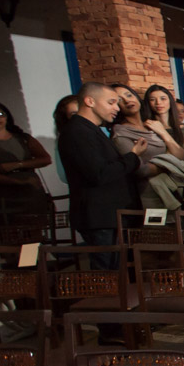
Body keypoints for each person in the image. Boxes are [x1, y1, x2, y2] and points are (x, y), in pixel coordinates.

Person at [58, 83, 144, 264]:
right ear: (90, 101)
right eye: (111, 102)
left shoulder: (91, 129)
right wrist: (133, 156)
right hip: (100, 217)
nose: (117, 108)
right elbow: (99, 173)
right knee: (109, 272)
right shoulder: (77, 131)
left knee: (120, 270)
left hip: (109, 216)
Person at [110, 82, 184, 204]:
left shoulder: (151, 125)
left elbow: (181, 155)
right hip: (149, 195)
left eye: (129, 95)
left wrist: (163, 132)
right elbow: (140, 170)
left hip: (174, 190)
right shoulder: (121, 133)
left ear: (136, 97)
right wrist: (171, 165)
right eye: (119, 99)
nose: (127, 100)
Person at [0, 100, 52, 218]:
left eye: (1, 114)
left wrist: (17, 165)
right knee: (8, 226)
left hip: (30, 190)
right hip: (1, 193)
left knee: (36, 224)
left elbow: (45, 159)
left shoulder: (23, 138)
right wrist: (15, 181)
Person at [143, 84, 184, 152]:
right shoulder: (146, 128)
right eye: (152, 99)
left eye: (163, 98)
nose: (158, 102)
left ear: (170, 100)